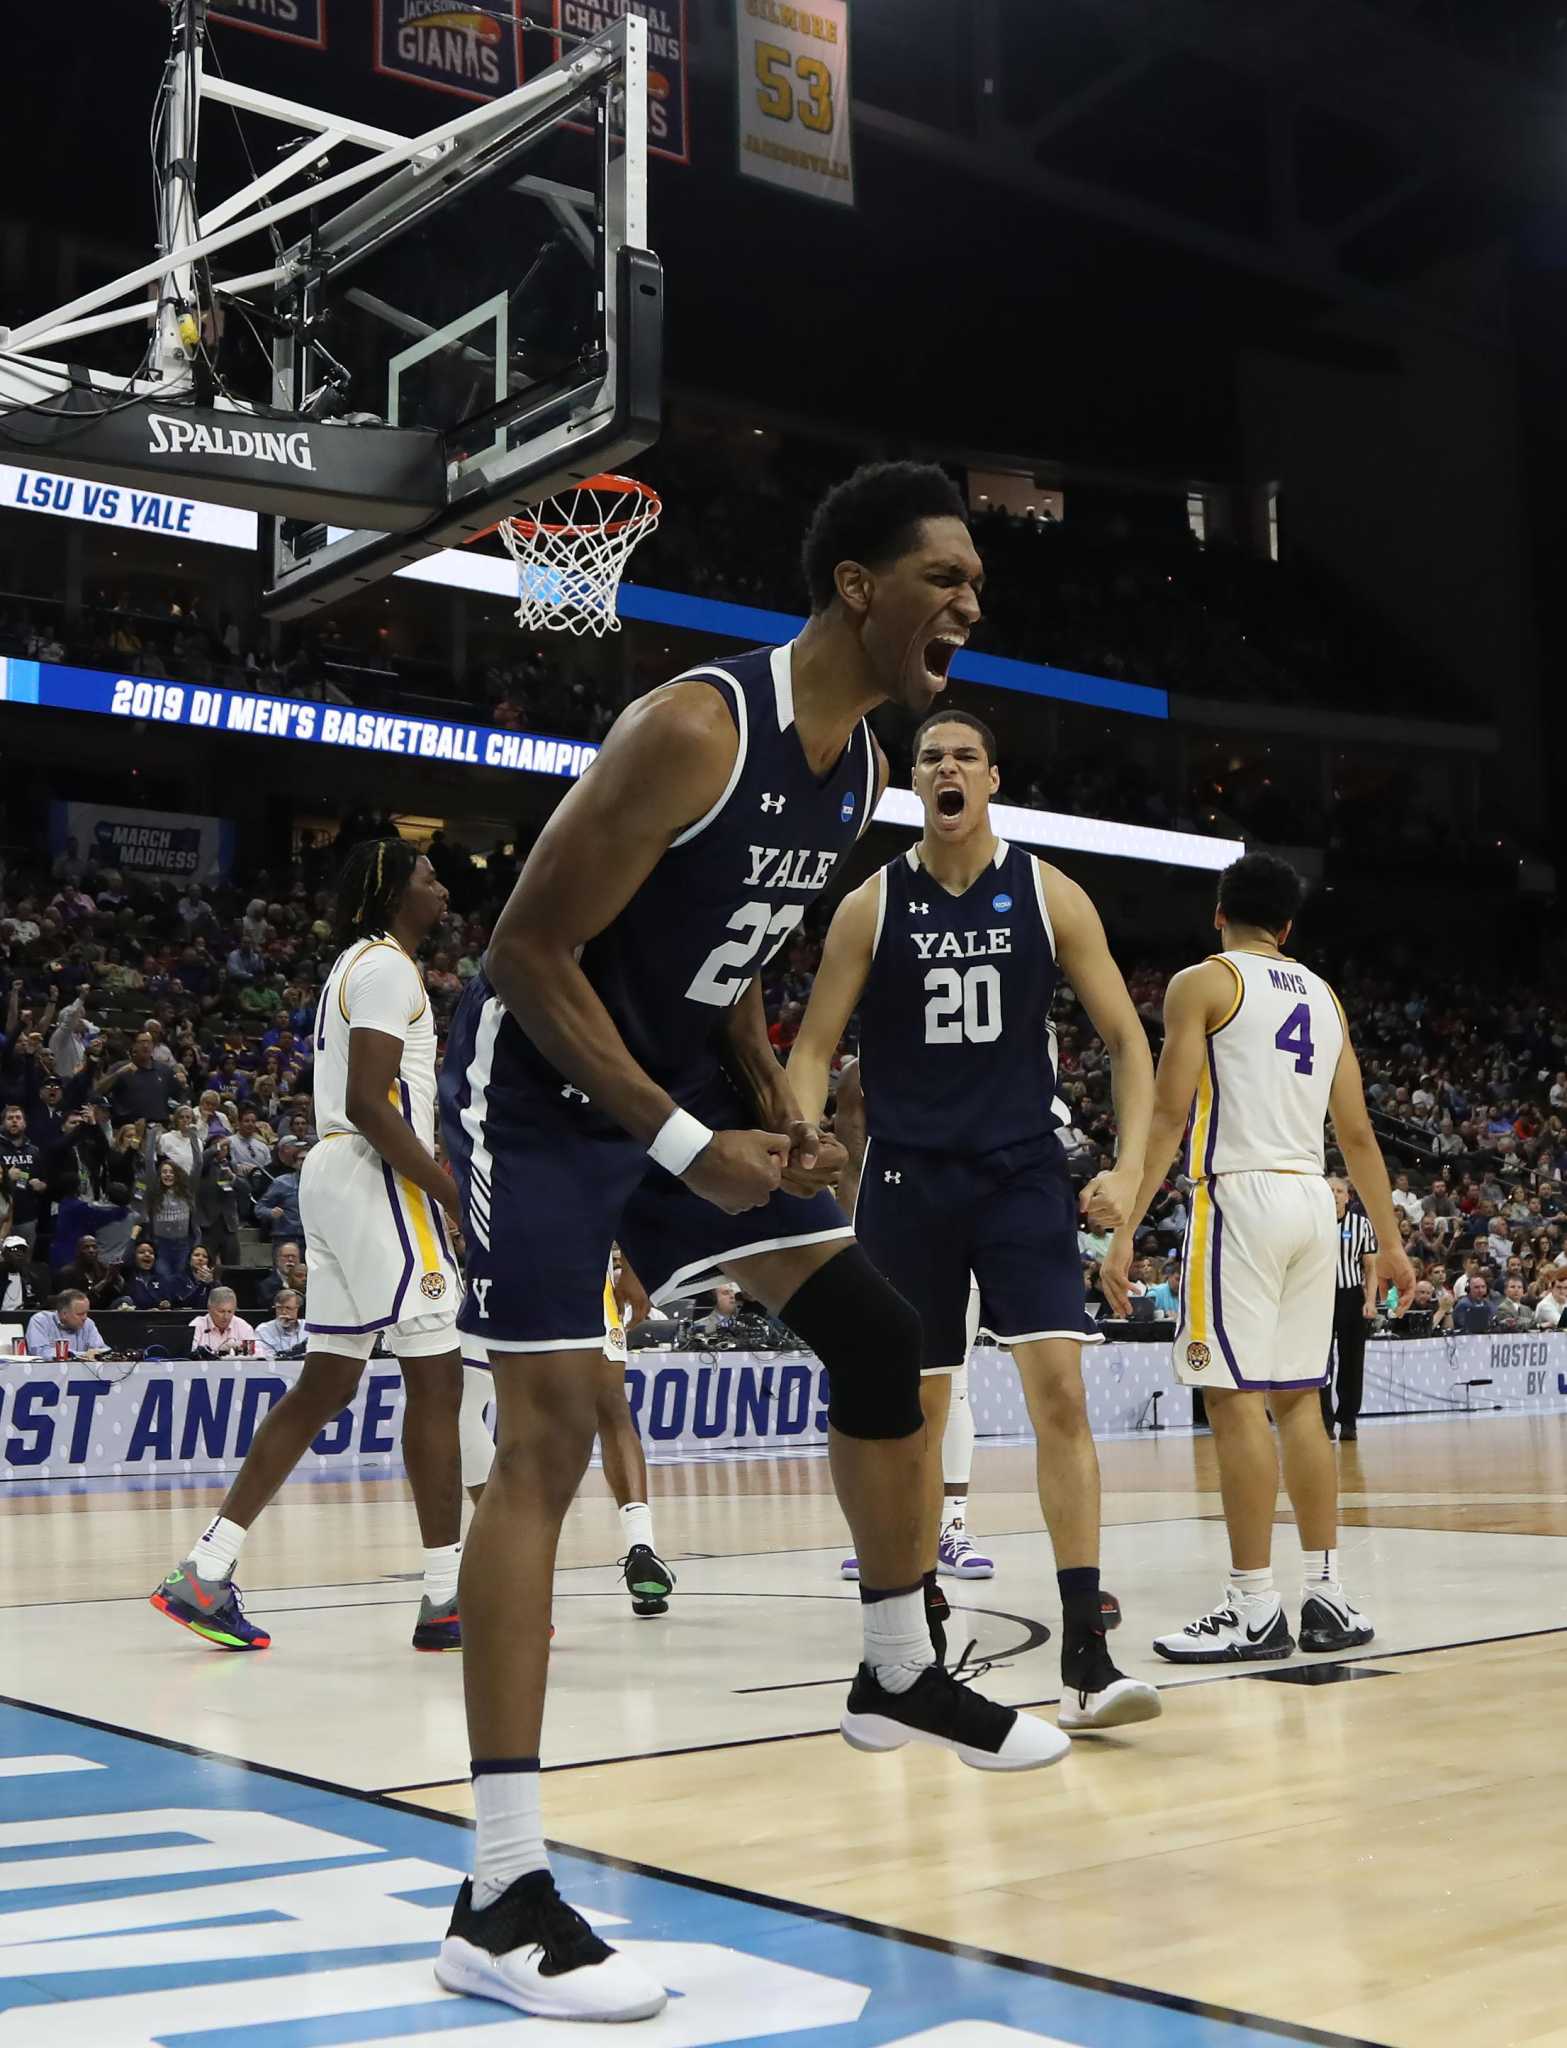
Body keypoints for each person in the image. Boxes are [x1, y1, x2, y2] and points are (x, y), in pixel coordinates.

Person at [436, 463, 1065, 2024]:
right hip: (536, 1095)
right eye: (944, 577)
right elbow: (525, 950)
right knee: (555, 1432)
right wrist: (676, 1143)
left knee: (874, 1335)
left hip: (671, 1091)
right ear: (858, 586)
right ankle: (497, 1893)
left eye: (975, 586)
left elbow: (720, 968)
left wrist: (781, 1106)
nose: (968, 605)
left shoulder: (852, 771)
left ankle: (891, 1667)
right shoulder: (695, 728)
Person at [788, 709, 1158, 1732]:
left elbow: (1127, 1040)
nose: (947, 769)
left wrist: (1129, 1170)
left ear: (992, 777)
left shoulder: (1048, 891)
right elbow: (813, 1042)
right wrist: (805, 1124)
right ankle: (915, 1621)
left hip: (1020, 1175)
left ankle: (1084, 1645)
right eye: (930, 759)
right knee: (905, 1413)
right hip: (905, 1179)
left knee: (1059, 1394)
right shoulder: (871, 901)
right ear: (914, 783)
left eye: (963, 757)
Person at [153, 841, 465, 1655]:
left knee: (325, 1384)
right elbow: (371, 1099)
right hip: (374, 1176)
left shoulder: (351, 965)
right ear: (395, 889)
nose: (442, 887)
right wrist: (445, 1188)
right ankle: (447, 1597)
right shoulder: (389, 968)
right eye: (429, 875)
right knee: (436, 1379)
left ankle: (206, 1568)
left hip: (335, 1177)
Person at [1102, 851, 1413, 1665]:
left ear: (1218, 914)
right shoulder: (1323, 994)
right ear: (1286, 926)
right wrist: (1389, 1241)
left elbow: (1169, 1112)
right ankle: (1326, 1593)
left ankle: (1251, 1606)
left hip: (1236, 1196)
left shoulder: (1201, 983)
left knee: (1234, 1403)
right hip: (1315, 1201)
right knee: (1300, 1403)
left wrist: (1125, 1226)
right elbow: (1356, 1135)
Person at [829, 1061, 996, 1583]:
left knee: (955, 1381)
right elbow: (848, 1168)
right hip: (880, 1230)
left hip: (954, 1222)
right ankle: (884, 1532)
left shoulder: (975, 1056)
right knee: (878, 1386)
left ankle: (951, 1526)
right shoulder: (861, 1074)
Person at [1320, 1177, 1377, 1441]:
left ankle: (1349, 1420)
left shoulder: (1361, 1224)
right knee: (1320, 1362)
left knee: (1352, 1360)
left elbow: (1370, 1268)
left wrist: (1370, 1300)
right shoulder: (1312, 1222)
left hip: (1351, 1295)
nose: (1334, 1194)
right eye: (1329, 1190)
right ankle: (1324, 1420)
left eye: (1339, 1190)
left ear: (1348, 1197)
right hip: (1318, 1297)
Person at [25, 1288, 109, 1359]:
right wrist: (80, 1355)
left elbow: (101, 1349)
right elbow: (40, 1352)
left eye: (86, 1312)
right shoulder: (41, 1321)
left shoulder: (88, 1324)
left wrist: (101, 1353)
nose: (85, 1318)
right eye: (80, 1314)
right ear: (64, 1314)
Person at [189, 1286, 258, 1358]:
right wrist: (219, 1352)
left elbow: (254, 1356)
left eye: (230, 1311)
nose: (226, 1317)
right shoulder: (197, 1325)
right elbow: (189, 1356)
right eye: (221, 1311)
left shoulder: (243, 1327)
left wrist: (241, 1350)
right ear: (209, 1308)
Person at [0, 1232, 53, 1314]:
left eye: (22, 1250)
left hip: (22, 1319)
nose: (19, 1253)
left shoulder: (32, 1277)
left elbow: (38, 1304)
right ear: (3, 1254)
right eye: (14, 1250)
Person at [254, 1287, 308, 1362]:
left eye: (288, 1308)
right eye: (279, 1308)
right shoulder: (263, 1330)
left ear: (298, 1309)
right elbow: (264, 1358)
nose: (284, 1312)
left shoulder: (308, 1328)